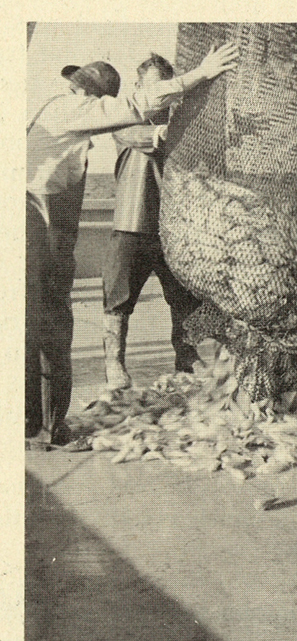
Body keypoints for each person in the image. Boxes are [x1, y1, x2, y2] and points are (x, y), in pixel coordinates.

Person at [26, 42, 238, 446]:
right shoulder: (95, 116)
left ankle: (43, 425)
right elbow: (146, 125)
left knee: (185, 300)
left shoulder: (70, 115)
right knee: (89, 312)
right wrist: (200, 80)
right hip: (93, 225)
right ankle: (81, 396)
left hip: (146, 229)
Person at [102, 54, 201, 390]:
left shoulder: (181, 124)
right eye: (153, 86)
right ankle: (115, 365)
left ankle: (188, 365)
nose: (161, 93)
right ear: (139, 88)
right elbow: (150, 135)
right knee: (118, 301)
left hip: (173, 230)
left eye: (166, 86)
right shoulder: (123, 121)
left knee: (186, 300)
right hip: (132, 223)